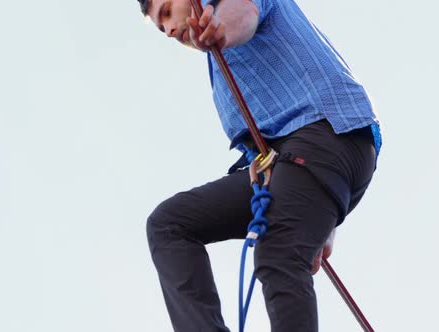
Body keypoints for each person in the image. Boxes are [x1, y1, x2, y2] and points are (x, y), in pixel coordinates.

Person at [139, 0, 382, 331]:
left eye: (167, 11)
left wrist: (221, 29)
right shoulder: (220, 71)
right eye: (159, 26)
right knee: (168, 224)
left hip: (329, 137)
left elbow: (244, 14)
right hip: (299, 165)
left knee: (276, 254)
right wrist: (321, 226)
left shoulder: (227, 15)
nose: (167, 30)